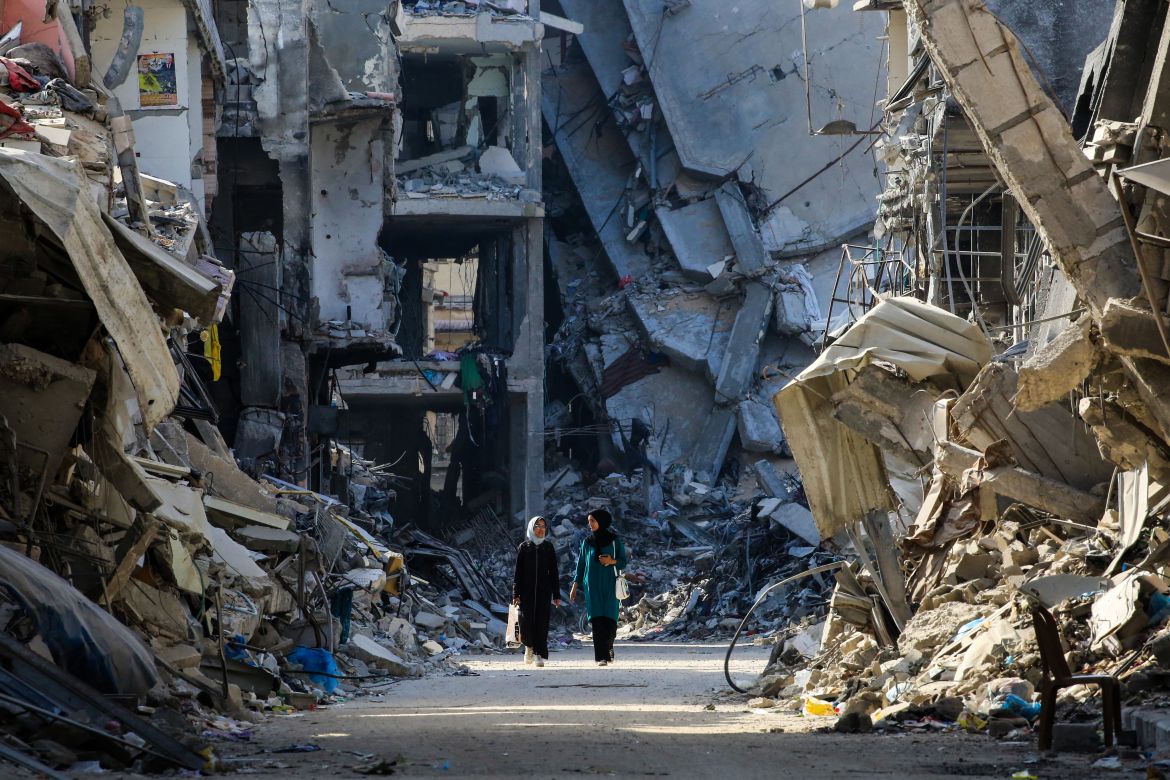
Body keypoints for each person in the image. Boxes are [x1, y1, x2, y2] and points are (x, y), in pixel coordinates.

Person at [569, 509, 628, 666]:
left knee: (610, 620)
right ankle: (601, 657)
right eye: (589, 521)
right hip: (592, 586)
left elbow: (623, 561)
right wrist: (575, 586)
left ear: (601, 521)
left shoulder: (615, 541)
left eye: (593, 521)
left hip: (610, 584)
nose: (590, 524)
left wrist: (611, 561)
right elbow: (581, 566)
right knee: (596, 621)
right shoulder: (587, 543)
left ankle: (608, 647)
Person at [512, 516, 560, 667]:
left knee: (541, 622)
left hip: (543, 592)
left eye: (543, 526)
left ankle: (539, 653)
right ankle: (529, 647)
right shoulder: (524, 547)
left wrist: (556, 594)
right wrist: (516, 593)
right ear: (531, 529)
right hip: (526, 592)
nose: (540, 529)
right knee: (526, 621)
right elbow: (518, 572)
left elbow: (554, 572)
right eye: (537, 526)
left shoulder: (548, 547)